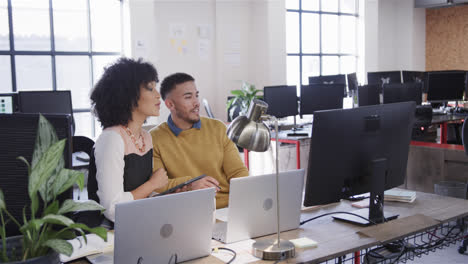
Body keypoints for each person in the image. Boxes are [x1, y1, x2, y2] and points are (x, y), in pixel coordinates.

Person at [150, 72, 249, 209]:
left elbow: (238, 173)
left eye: (196, 95)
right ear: (170, 104)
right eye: (188, 97)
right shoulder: (155, 138)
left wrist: (246, 201)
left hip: (228, 208)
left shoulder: (218, 128)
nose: (196, 103)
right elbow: (159, 186)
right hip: (191, 212)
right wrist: (190, 185)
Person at [87, 58, 168, 223]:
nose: (158, 95)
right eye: (150, 88)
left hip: (136, 223)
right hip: (110, 232)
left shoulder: (145, 137)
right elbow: (112, 209)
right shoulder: (112, 139)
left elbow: (140, 194)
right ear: (129, 95)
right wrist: (152, 185)